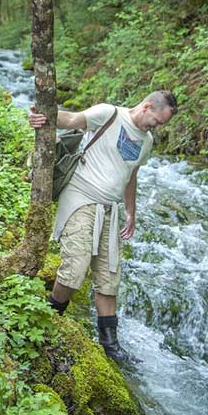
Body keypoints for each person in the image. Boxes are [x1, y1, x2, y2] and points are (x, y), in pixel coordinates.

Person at [28, 91, 178, 359]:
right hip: (81, 196)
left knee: (110, 277)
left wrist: (130, 211)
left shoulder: (147, 141)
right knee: (76, 266)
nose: (157, 127)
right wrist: (44, 117)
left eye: (161, 125)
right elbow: (72, 119)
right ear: (146, 106)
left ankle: (110, 345)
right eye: (156, 121)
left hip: (110, 207)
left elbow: (131, 175)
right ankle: (48, 320)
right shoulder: (109, 114)